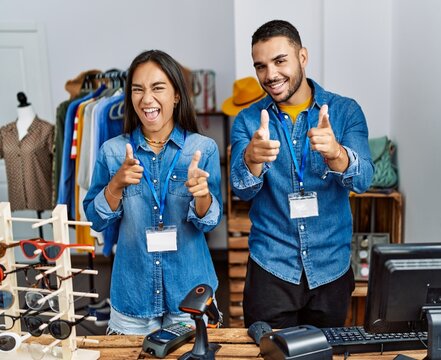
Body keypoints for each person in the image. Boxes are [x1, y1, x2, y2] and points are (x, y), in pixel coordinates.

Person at [230, 20, 374, 329]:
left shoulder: (346, 111)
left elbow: (364, 180)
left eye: (280, 60)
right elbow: (241, 188)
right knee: (270, 352)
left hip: (331, 269)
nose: (270, 75)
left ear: (302, 57)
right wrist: (251, 159)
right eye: (261, 66)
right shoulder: (248, 120)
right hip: (271, 268)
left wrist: (337, 154)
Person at [83, 50, 222, 335]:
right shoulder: (112, 152)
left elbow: (209, 221)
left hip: (190, 291)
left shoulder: (202, 149)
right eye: (138, 90)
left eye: (158, 88)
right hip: (133, 293)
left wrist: (202, 195)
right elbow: (96, 220)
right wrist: (115, 185)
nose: (146, 99)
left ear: (176, 95)